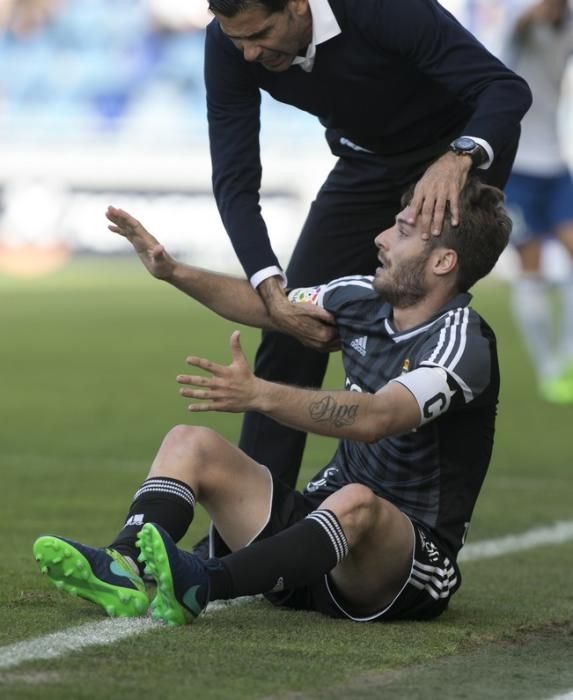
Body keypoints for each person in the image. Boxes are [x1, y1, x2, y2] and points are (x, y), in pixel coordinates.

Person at [33, 177, 512, 625]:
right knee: (190, 442)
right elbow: (269, 307)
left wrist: (260, 394)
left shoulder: (461, 343)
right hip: (314, 542)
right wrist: (172, 271)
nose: (382, 238)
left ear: (443, 262)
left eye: (403, 231)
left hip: (399, 568)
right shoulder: (359, 297)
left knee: (359, 501)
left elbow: (379, 417)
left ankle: (205, 582)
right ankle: (122, 563)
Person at [203, 0, 531, 517]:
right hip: (367, 164)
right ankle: (252, 517)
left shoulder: (379, 7)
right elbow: (234, 180)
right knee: (291, 327)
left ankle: (419, 523)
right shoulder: (229, 45)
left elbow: (506, 88)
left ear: (296, 5)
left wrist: (460, 156)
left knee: (417, 323)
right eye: (236, 37)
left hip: (459, 151)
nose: (247, 52)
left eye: (260, 33)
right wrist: (271, 286)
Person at [502, 0, 573, 403]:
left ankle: (567, 354)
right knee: (532, 266)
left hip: (556, 163)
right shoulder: (523, 21)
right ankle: (547, 366)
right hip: (520, 167)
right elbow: (517, 33)